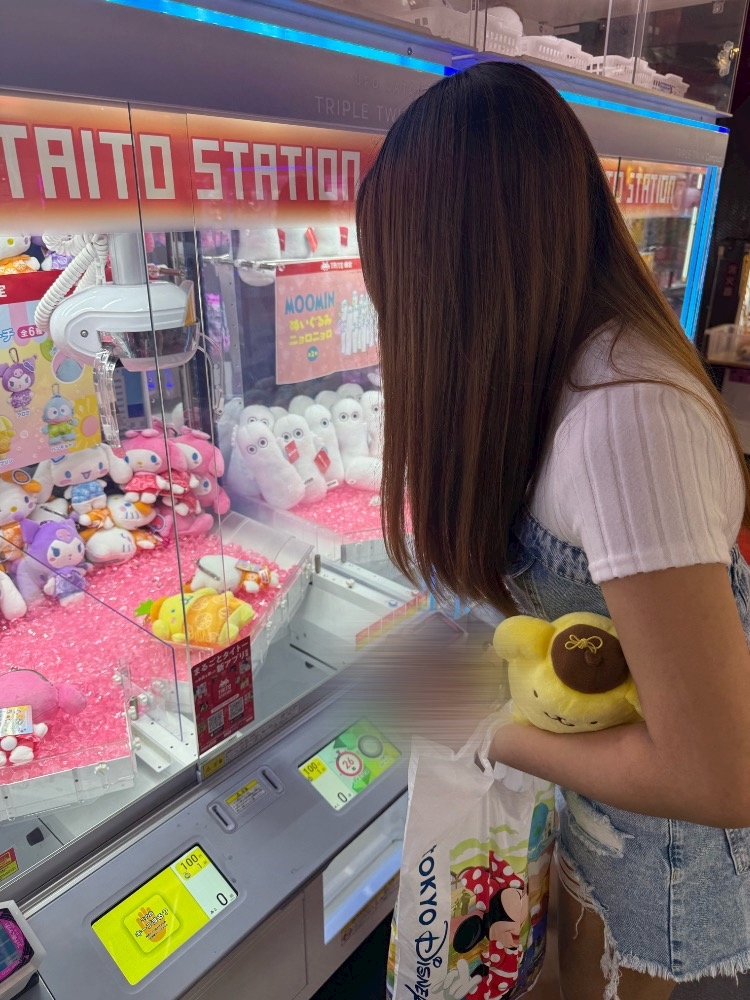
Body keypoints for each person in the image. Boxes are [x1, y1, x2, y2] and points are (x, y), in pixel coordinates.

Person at [355, 61, 750, 1000]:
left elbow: (721, 774)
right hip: (605, 820)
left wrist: (489, 730)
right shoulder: (565, 372)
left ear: (448, 280)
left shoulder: (627, 422)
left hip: (664, 865)